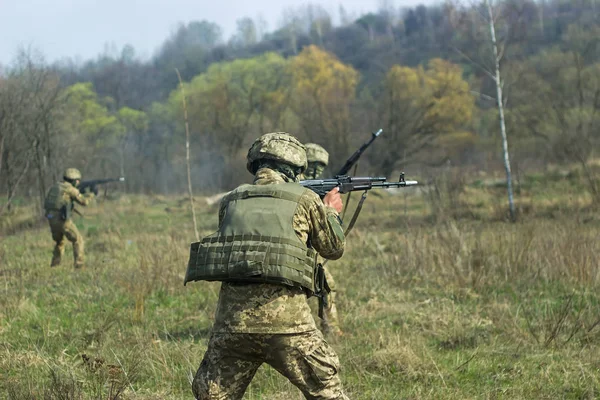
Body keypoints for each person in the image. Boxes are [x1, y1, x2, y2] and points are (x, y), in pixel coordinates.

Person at [185, 132, 349, 400]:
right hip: (289, 326)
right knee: (327, 392)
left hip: (232, 324)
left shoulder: (231, 200)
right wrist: (331, 211)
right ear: (295, 167)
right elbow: (333, 248)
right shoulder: (305, 199)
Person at [304, 143, 343, 337]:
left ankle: (331, 328)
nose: (315, 170)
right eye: (312, 165)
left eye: (319, 166)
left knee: (327, 284)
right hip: (296, 251)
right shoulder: (296, 189)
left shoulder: (315, 190)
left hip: (308, 250)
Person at [44, 168, 94, 269]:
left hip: (51, 219)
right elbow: (84, 202)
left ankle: (55, 265)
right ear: (74, 181)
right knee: (78, 240)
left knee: (60, 242)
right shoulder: (70, 189)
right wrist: (91, 194)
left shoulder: (56, 186)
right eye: (78, 181)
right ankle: (79, 266)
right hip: (62, 220)